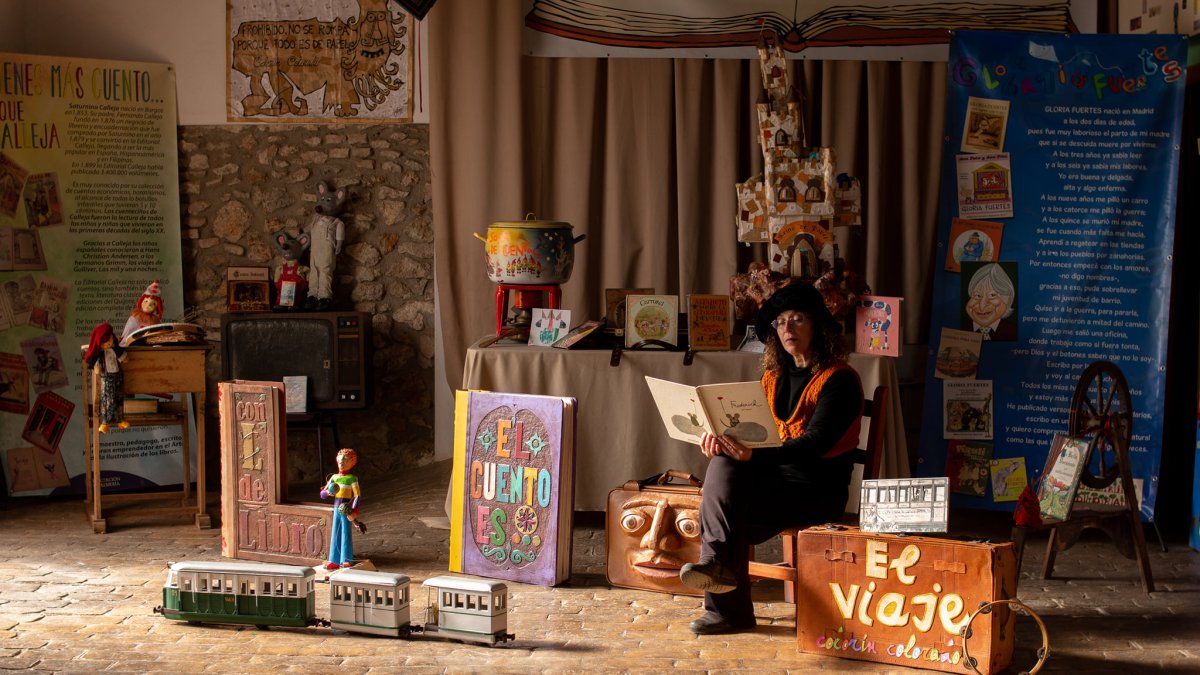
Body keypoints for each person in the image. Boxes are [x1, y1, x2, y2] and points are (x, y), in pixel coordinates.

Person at [678, 281, 864, 635]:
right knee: (722, 465)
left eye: (797, 320)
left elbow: (815, 444)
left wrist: (750, 456)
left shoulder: (840, 381)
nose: (787, 329)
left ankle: (725, 601)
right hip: (773, 484)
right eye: (780, 323)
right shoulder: (771, 377)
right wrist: (721, 442)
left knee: (722, 510)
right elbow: (755, 438)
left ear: (818, 326)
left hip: (816, 489)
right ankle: (716, 565)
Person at [320, 447, 366, 569]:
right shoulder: (334, 477)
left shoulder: (352, 478)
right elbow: (322, 494)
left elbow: (357, 496)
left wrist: (354, 510)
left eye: (345, 460)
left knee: (346, 533)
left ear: (352, 462)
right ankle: (334, 559)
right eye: (340, 460)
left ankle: (346, 559)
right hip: (336, 508)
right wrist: (327, 493)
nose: (342, 462)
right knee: (335, 532)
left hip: (346, 508)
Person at [84, 322, 129, 433]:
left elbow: (124, 359)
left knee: (119, 398)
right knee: (107, 399)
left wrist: (121, 355)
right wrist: (96, 368)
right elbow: (97, 367)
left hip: (117, 376)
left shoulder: (115, 350)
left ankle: (120, 419)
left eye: (109, 340)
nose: (108, 343)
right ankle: (105, 422)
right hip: (107, 377)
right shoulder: (100, 354)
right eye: (104, 342)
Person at [962, 263, 1017, 341]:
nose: (982, 306)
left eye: (992, 295)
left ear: (1007, 300)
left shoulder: (1013, 332)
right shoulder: (960, 330)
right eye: (977, 296)